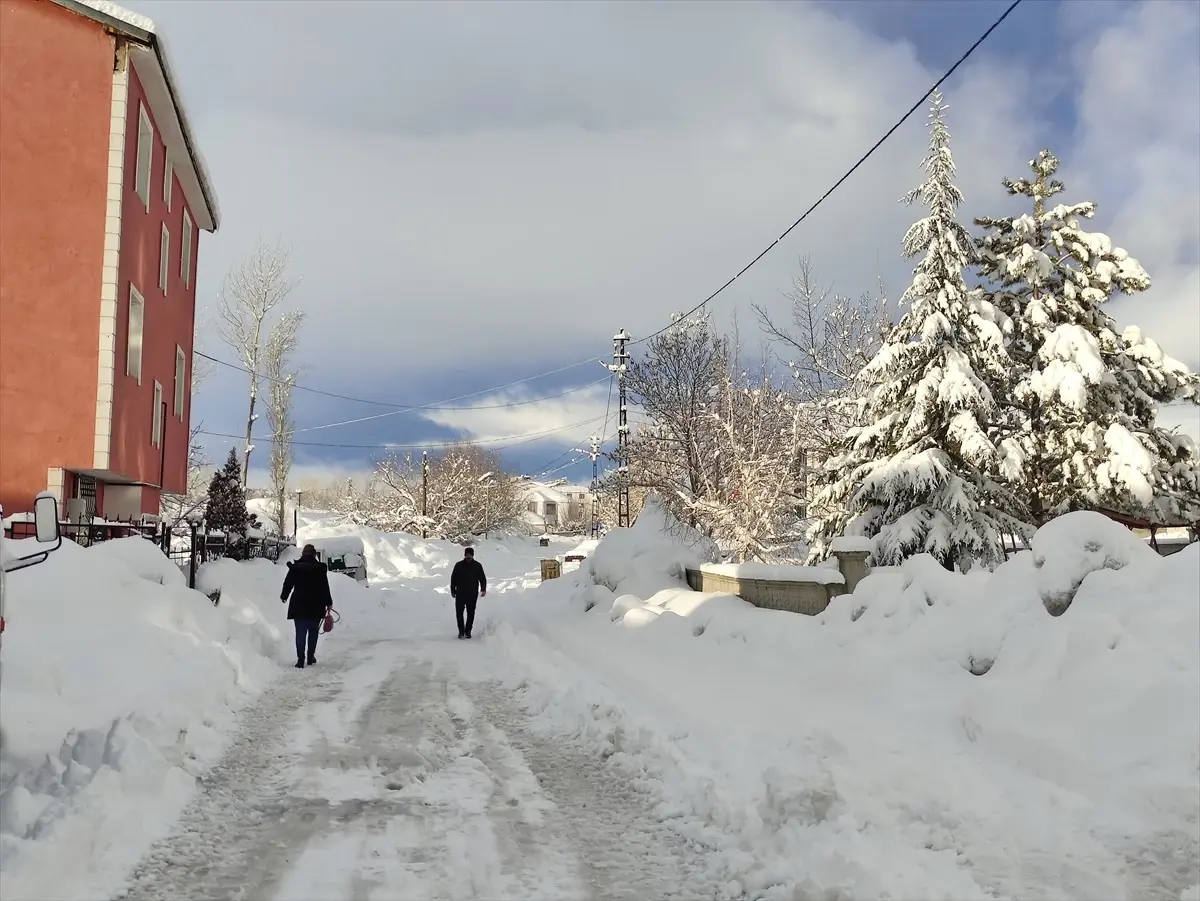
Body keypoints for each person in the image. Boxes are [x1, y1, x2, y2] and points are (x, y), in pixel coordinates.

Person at [281, 544, 334, 668]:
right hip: (316, 604)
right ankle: (310, 656)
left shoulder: (295, 567)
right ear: (314, 554)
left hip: (298, 604)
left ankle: (300, 659)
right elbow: (324, 587)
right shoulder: (320, 568)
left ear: (303, 553)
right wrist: (329, 602)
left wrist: (284, 596)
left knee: (300, 633)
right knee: (313, 632)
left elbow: (288, 583)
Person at [449, 546, 487, 640]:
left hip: (472, 594)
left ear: (473, 555)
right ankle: (461, 631)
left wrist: (483, 589)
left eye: (470, 554)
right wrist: (453, 590)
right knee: (459, 613)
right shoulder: (458, 565)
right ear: (464, 555)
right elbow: (453, 578)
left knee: (471, 613)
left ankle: (468, 631)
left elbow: (482, 578)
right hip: (460, 593)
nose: (468, 556)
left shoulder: (477, 566)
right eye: (467, 554)